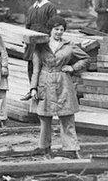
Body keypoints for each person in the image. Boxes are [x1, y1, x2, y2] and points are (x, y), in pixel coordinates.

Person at [28, 16, 90, 158]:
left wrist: (73, 67)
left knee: (67, 116)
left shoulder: (69, 45)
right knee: (45, 117)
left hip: (63, 83)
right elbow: (36, 69)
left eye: (62, 30)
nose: (59, 32)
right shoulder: (41, 45)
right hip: (45, 82)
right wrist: (33, 88)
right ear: (50, 30)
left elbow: (86, 59)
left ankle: (70, 149)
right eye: (56, 29)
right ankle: (44, 147)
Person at [20, 0, 57, 99]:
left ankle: (45, 93)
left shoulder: (50, 7)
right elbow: (28, 26)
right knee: (31, 66)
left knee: (44, 66)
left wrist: (52, 40)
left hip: (44, 42)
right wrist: (25, 41)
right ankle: (32, 90)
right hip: (32, 42)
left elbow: (54, 25)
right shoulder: (31, 8)